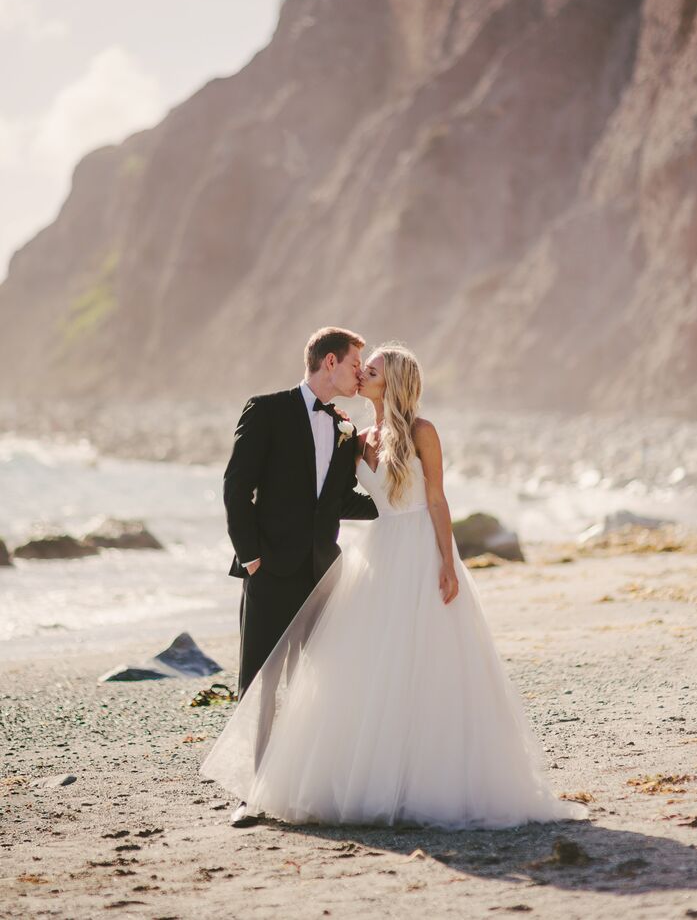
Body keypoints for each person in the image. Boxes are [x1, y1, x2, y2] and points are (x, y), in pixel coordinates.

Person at [203, 343, 588, 829]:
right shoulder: (357, 435)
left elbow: (435, 500)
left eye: (372, 369)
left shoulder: (423, 432)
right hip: (377, 553)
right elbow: (338, 497)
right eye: (359, 367)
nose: (361, 375)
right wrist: (265, 541)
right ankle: (299, 785)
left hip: (420, 551)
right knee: (367, 671)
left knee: (429, 666)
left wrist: (448, 561)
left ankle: (425, 781)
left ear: (395, 380)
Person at [221, 326, 378, 824]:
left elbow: (339, 501)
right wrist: (250, 558)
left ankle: (313, 786)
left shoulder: (345, 427)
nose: (361, 372)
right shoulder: (265, 409)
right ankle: (253, 794)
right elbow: (236, 486)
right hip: (269, 572)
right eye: (357, 363)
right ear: (329, 362)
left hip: (322, 573)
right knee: (260, 685)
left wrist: (399, 506)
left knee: (322, 681)